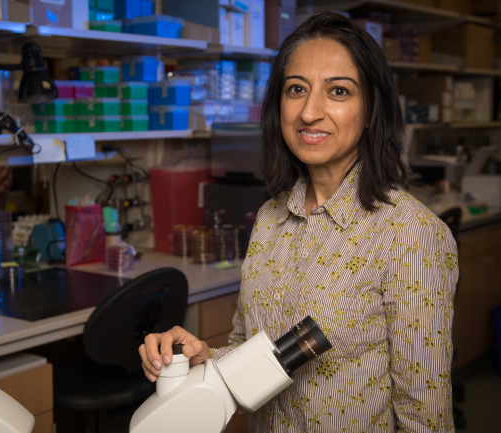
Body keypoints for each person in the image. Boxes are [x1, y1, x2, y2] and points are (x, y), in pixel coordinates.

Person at [139, 11, 459, 433]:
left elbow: (426, 419)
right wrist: (202, 358)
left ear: (371, 108)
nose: (310, 111)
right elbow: (247, 351)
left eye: (338, 91)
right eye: (296, 90)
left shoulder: (409, 235)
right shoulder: (272, 216)